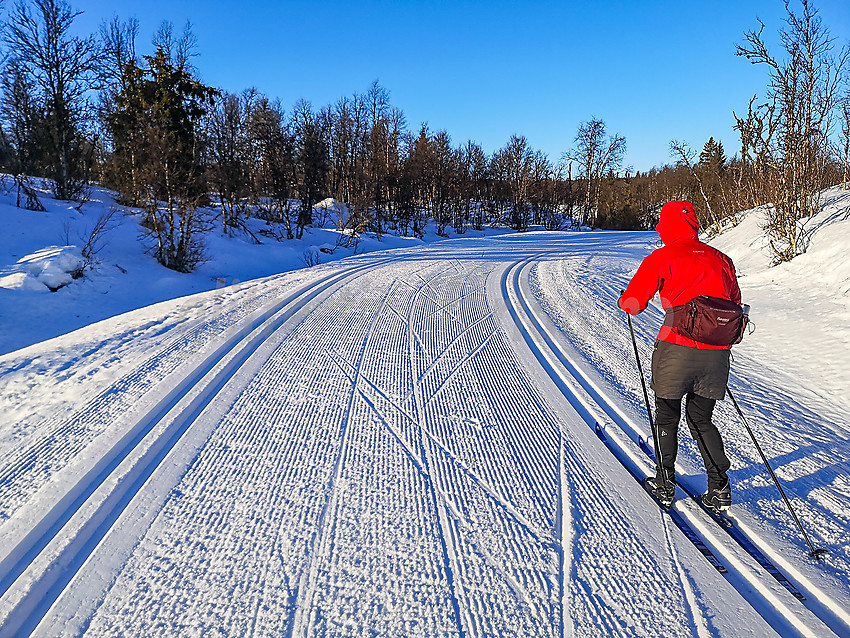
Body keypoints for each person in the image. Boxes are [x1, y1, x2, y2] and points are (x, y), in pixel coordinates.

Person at [618, 200, 742, 512]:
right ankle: (719, 487)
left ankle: (664, 483)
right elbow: (735, 304)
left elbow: (633, 304)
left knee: (667, 415)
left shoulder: (662, 257)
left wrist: (626, 300)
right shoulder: (722, 260)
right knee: (701, 418)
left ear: (666, 226)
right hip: (716, 354)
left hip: (676, 348)